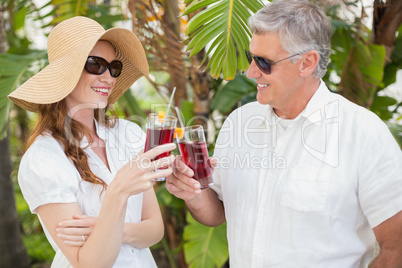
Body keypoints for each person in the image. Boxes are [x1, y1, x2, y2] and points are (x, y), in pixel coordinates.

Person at [166, 0, 402, 267]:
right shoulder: (238, 123)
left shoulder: (362, 134)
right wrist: (193, 192)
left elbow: (397, 247)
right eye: (251, 57)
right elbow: (217, 213)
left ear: (307, 63)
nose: (251, 72)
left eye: (264, 62)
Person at [8, 16, 176, 267]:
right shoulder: (43, 159)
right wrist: (118, 192)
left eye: (114, 67)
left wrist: (111, 229)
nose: (108, 76)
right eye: (95, 64)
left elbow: (155, 230)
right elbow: (89, 263)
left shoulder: (127, 134)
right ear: (66, 73)